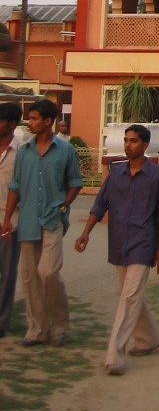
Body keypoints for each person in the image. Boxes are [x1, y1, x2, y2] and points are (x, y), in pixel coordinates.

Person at [75, 124, 159, 375]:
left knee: (129, 297)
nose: (128, 145)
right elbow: (99, 206)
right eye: (126, 140)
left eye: (134, 141)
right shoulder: (115, 174)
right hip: (119, 242)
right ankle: (149, 338)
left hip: (144, 243)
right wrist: (85, 233)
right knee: (131, 294)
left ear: (145, 145)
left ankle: (114, 354)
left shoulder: (158, 176)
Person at [1, 98, 83, 346]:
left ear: (49, 122)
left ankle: (58, 325)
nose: (31, 123)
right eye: (30, 118)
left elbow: (75, 183)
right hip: (26, 221)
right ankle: (36, 328)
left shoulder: (65, 150)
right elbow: (15, 187)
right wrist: (7, 219)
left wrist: (63, 206)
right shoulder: (24, 152)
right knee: (29, 277)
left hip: (52, 219)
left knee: (48, 272)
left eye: (35, 119)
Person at [0, 102, 22, 338]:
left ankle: (2, 322)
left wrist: (7, 219)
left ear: (12, 124)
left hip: (10, 220)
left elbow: (22, 189)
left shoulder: (22, 152)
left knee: (6, 274)